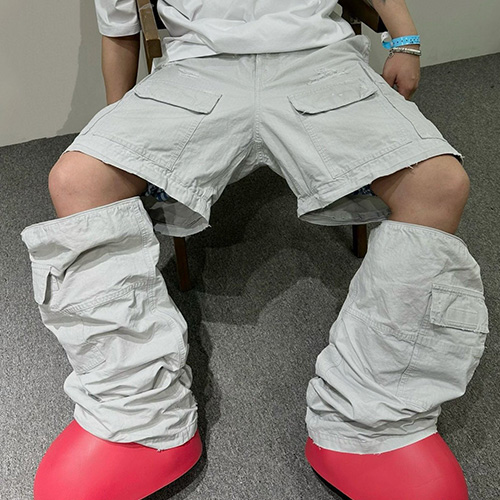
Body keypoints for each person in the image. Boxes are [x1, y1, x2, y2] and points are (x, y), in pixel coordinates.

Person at [21, 1, 489, 499]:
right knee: (79, 180)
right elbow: (120, 30)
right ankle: (136, 420)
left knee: (438, 183)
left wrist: (406, 41)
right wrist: (118, 127)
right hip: (197, 68)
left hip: (320, 61)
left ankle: (372, 425)